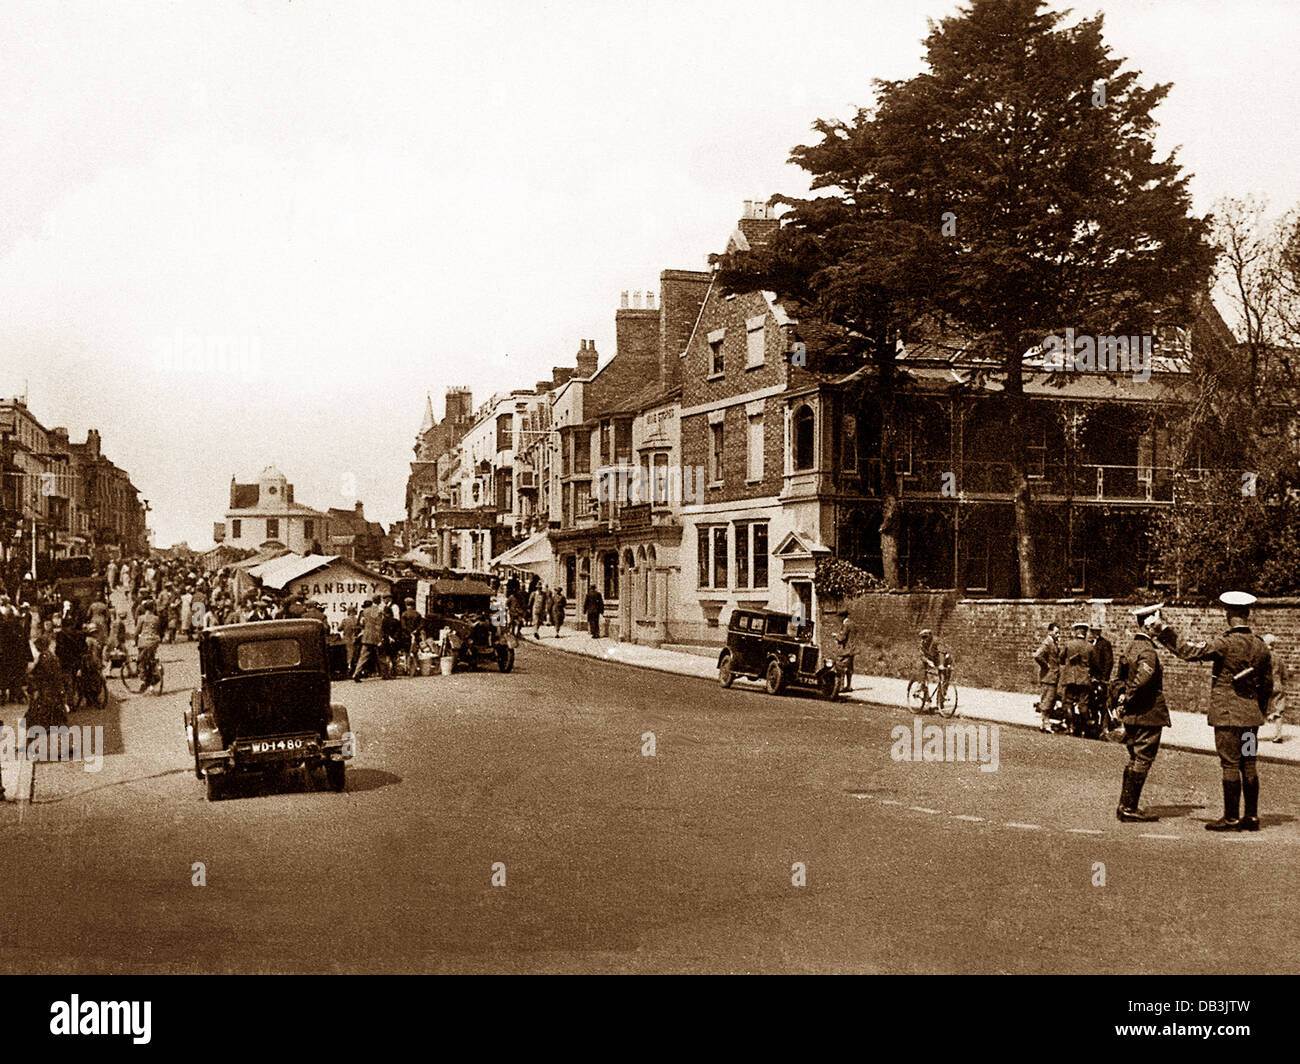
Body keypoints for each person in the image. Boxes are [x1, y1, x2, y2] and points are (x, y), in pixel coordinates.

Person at [1151, 591, 1273, 832]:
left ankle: (1231, 818)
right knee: (1249, 763)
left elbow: (1188, 651)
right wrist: (1259, 711)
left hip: (1228, 717)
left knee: (1229, 763)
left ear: (1229, 614)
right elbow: (1267, 685)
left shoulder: (1225, 643)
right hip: (1250, 720)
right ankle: (1251, 817)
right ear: (1247, 614)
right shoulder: (1261, 646)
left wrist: (1164, 631)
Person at [1112, 603, 1170, 822]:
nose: (1160, 627)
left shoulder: (1131, 647)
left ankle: (1124, 805)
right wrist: (1128, 698)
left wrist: (1121, 698)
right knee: (1143, 758)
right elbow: (1142, 680)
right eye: (1158, 623)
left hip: (1133, 715)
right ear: (1149, 625)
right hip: (1147, 713)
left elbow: (1119, 679)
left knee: (1134, 757)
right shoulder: (1147, 651)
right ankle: (1129, 808)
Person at [1058, 621, 1093, 725]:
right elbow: (1093, 663)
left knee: (1068, 702)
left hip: (1070, 677)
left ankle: (1071, 726)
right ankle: (1084, 728)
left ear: (1076, 631)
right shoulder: (1090, 646)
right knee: (1083, 704)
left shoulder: (1069, 644)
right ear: (1085, 632)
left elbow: (1061, 658)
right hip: (1084, 679)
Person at [1033, 622, 1063, 732]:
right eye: (1056, 633)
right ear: (1050, 632)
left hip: (1052, 677)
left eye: (1059, 633)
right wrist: (1046, 665)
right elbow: (1037, 655)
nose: (1058, 635)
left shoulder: (1053, 643)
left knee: (1050, 701)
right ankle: (1046, 723)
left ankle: (1044, 723)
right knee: (1047, 701)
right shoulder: (1047, 643)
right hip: (1048, 677)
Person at [1262, 634, 1288, 743]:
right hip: (1277, 684)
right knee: (1279, 710)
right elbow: (1284, 674)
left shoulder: (1263, 656)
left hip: (1265, 684)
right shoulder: (1278, 657)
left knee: (1259, 708)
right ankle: (1278, 735)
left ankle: (1250, 734)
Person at [352, 599, 383, 682]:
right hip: (375, 636)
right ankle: (386, 673)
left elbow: (361, 624)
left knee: (363, 656)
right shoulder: (376, 611)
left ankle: (356, 673)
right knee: (381, 655)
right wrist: (380, 638)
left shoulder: (363, 612)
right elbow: (379, 625)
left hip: (366, 636)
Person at [134, 599, 162, 690]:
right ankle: (154, 674)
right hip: (154, 641)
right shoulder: (156, 618)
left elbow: (137, 631)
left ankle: (144, 680)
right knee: (151, 657)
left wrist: (135, 641)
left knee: (140, 661)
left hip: (144, 641)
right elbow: (158, 630)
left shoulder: (141, 618)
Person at [834, 611, 856, 692]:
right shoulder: (853, 624)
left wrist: (836, 636)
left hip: (846, 650)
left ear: (842, 617)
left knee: (840, 667)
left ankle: (841, 686)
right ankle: (849, 686)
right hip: (852, 649)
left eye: (839, 617)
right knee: (850, 668)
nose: (838, 619)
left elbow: (842, 638)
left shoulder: (846, 625)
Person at [401, 597, 423, 676]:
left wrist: (409, 632)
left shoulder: (404, 614)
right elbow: (421, 625)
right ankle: (417, 668)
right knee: (415, 652)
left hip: (407, 636)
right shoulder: (417, 614)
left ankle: (408, 669)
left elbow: (403, 626)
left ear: (406, 605)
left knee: (407, 653)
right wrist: (415, 631)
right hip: (416, 636)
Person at [341, 604, 360, 674]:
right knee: (355, 654)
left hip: (346, 639)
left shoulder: (345, 620)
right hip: (355, 639)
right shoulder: (357, 620)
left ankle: (347, 668)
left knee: (347, 654)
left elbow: (339, 628)